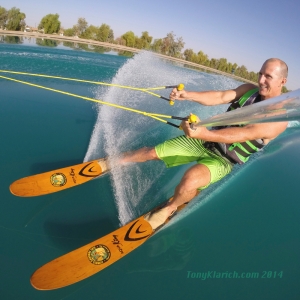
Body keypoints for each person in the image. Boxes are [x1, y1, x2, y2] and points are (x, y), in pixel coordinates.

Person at [118, 58, 289, 230]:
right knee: (151, 153)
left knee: (190, 181)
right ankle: (120, 159)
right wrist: (187, 95)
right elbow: (219, 96)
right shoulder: (248, 90)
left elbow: (245, 133)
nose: (260, 80)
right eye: (260, 74)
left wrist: (206, 133)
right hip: (204, 140)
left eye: (268, 76)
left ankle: (170, 207)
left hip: (222, 159)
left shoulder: (279, 119)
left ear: (282, 81)